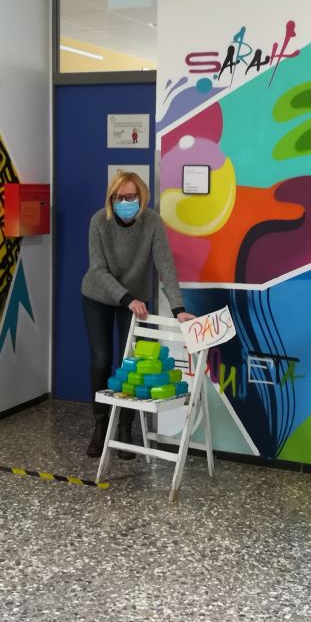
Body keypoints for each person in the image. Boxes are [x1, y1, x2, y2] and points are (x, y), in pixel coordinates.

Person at [81, 170, 193, 458]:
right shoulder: (98, 221)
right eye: (118, 197)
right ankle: (100, 426)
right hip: (98, 295)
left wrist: (178, 308)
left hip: (135, 302)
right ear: (111, 199)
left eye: (130, 196)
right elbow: (98, 268)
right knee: (101, 359)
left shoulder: (152, 222)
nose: (124, 202)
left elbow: (165, 265)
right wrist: (127, 297)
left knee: (129, 364)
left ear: (141, 197)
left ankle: (125, 428)